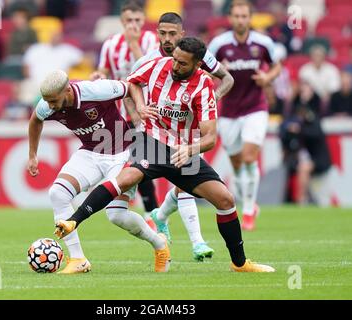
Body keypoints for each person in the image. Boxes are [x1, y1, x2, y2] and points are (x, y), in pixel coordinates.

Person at [55, 37, 275, 273]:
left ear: (198, 64)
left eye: (182, 63)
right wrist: (140, 106)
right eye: (175, 59)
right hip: (151, 142)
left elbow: (210, 137)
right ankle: (73, 220)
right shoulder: (159, 65)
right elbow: (132, 84)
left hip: (183, 151)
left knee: (225, 200)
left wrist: (190, 149)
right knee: (127, 179)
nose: (175, 66)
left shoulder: (203, 86)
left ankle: (239, 263)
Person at [28, 70, 170, 274]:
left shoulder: (95, 90)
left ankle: (159, 244)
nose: (49, 105)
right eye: (47, 101)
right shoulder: (46, 106)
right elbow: (35, 120)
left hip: (123, 153)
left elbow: (130, 86)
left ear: (67, 90)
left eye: (53, 100)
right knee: (57, 193)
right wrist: (33, 154)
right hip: (91, 152)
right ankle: (78, 259)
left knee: (116, 216)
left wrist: (139, 108)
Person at [131, 12, 234, 261]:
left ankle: (163, 217)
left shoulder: (197, 55)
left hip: (188, 128)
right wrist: (138, 113)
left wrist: (209, 100)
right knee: (182, 180)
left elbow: (227, 78)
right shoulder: (149, 61)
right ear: (157, 33)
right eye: (162, 33)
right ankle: (197, 241)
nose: (167, 39)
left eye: (172, 34)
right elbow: (130, 87)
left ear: (182, 34)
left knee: (184, 181)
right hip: (156, 132)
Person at [208, 0, 282, 231]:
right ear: (230, 18)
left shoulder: (263, 42)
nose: (240, 20)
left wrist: (267, 79)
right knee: (237, 164)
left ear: (250, 18)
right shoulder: (219, 44)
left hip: (255, 108)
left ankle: (249, 209)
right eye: (236, 16)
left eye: (244, 16)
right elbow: (205, 70)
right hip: (229, 111)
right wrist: (218, 76)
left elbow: (277, 65)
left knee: (249, 157)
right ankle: (248, 202)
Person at [91, 1, 159, 228]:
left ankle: (152, 214)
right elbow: (104, 70)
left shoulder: (150, 41)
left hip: (146, 111)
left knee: (145, 164)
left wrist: (133, 45)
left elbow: (152, 71)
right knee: (128, 164)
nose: (133, 25)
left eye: (137, 20)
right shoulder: (110, 44)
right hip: (120, 114)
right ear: (122, 21)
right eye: (129, 20)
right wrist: (97, 75)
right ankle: (148, 213)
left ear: (144, 20)